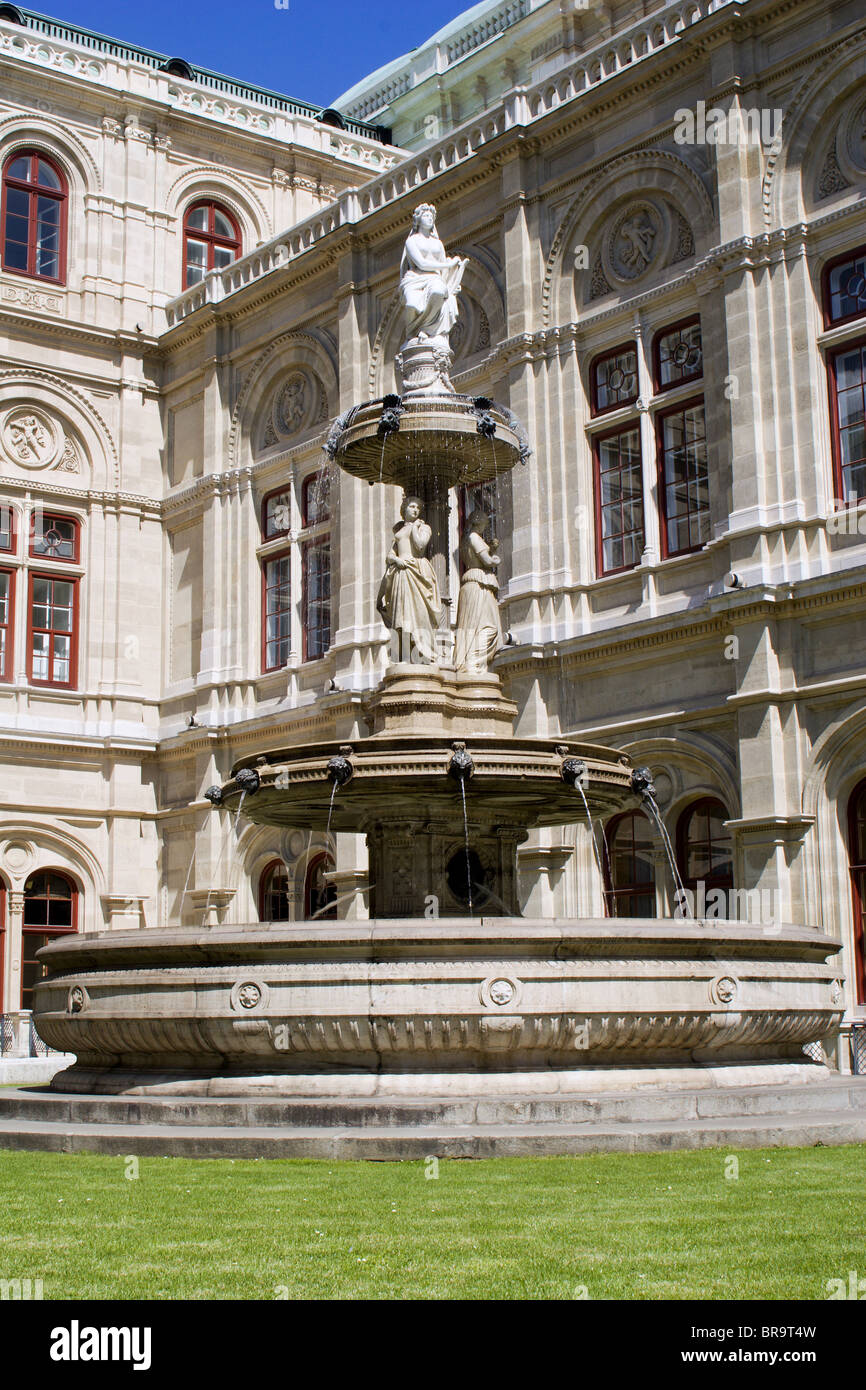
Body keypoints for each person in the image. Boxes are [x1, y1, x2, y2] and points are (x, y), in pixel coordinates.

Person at [377, 495, 442, 664]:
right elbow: (390, 555)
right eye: (412, 506)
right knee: (402, 615)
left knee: (420, 613)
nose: (415, 510)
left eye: (418, 508)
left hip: (417, 569)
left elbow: (420, 546)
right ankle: (404, 655)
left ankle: (423, 652)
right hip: (401, 573)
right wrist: (397, 560)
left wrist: (414, 528)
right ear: (404, 508)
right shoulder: (398, 531)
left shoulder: (424, 527)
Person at [399, 204, 467, 345]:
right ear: (418, 220)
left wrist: (452, 280)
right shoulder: (411, 241)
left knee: (438, 291)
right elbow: (422, 263)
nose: (429, 218)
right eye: (425, 216)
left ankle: (428, 329)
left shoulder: (438, 244)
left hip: (435, 278)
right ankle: (413, 331)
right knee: (411, 304)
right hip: (415, 278)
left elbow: (444, 271)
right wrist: (448, 264)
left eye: (431, 216)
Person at [454, 508, 502, 672]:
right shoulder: (474, 537)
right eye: (485, 523)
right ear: (477, 522)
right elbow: (487, 561)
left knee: (473, 625)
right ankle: (473, 664)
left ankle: (471, 663)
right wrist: (495, 558)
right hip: (479, 582)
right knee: (488, 627)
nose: (486, 527)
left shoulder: (465, 539)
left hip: (471, 582)